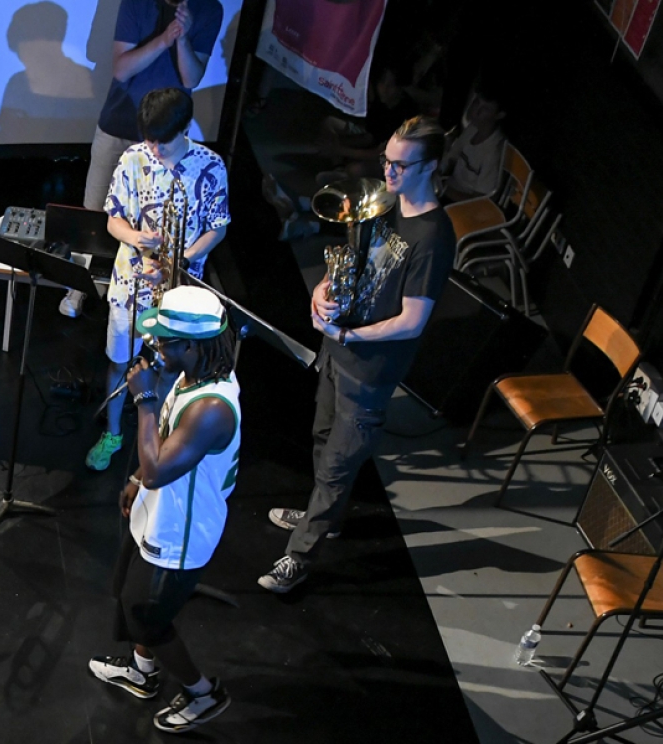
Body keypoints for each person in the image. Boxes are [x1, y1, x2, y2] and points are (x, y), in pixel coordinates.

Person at [260, 116, 457, 593]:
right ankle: (323, 518)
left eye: (400, 165)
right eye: (387, 161)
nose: (387, 173)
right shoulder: (385, 206)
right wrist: (321, 293)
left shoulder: (433, 236)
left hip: (368, 368)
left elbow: (413, 321)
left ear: (429, 167)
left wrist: (351, 338)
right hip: (336, 350)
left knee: (337, 465)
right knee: (322, 438)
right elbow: (352, 259)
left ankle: (299, 557)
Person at [86, 285, 240, 734]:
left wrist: (144, 399)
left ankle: (203, 692)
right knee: (125, 589)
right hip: (158, 510)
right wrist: (134, 481)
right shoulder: (194, 374)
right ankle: (142, 671)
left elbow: (156, 468)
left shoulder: (212, 408)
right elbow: (156, 464)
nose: (154, 348)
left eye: (163, 341)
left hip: (181, 531)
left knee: (146, 614)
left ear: (192, 345)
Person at [85, 87, 229, 473]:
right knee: (120, 361)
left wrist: (178, 259)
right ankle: (114, 433)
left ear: (184, 129)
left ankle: (159, 440)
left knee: (170, 369)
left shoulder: (210, 166)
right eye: (149, 140)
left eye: (161, 142)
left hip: (180, 289)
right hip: (131, 283)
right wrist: (135, 238)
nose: (154, 149)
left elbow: (217, 228)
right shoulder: (133, 158)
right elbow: (113, 217)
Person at [64, 0, 223, 317]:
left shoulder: (208, 9)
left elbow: (190, 78)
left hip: (168, 137)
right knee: (95, 211)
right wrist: (165, 37)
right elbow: (122, 68)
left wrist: (182, 37)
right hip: (119, 125)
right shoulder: (136, 3)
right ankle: (77, 288)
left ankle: (137, 291)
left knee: (151, 221)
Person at [438, 83, 507, 203]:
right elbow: (452, 158)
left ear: (499, 115)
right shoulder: (473, 128)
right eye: (476, 103)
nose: (476, 111)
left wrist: (442, 188)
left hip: (461, 204)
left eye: (485, 109)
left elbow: (481, 199)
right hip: (449, 186)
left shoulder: (493, 152)